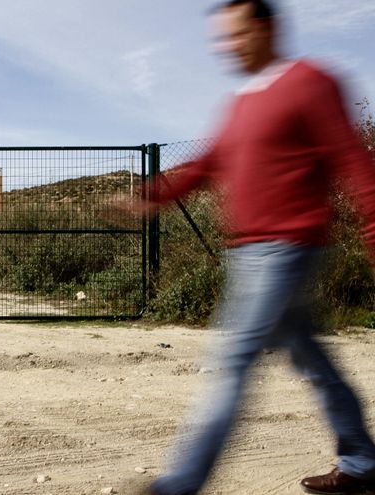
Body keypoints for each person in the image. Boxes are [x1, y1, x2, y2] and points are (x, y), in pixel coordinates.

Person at [125, 1, 375, 493]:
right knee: (310, 356)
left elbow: (353, 161)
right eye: (222, 38)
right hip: (248, 252)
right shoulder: (242, 101)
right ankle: (363, 461)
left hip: (287, 247)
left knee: (234, 359)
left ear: (266, 28)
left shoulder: (311, 82)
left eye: (236, 34)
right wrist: (153, 196)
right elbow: (210, 161)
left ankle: (179, 485)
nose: (227, 46)